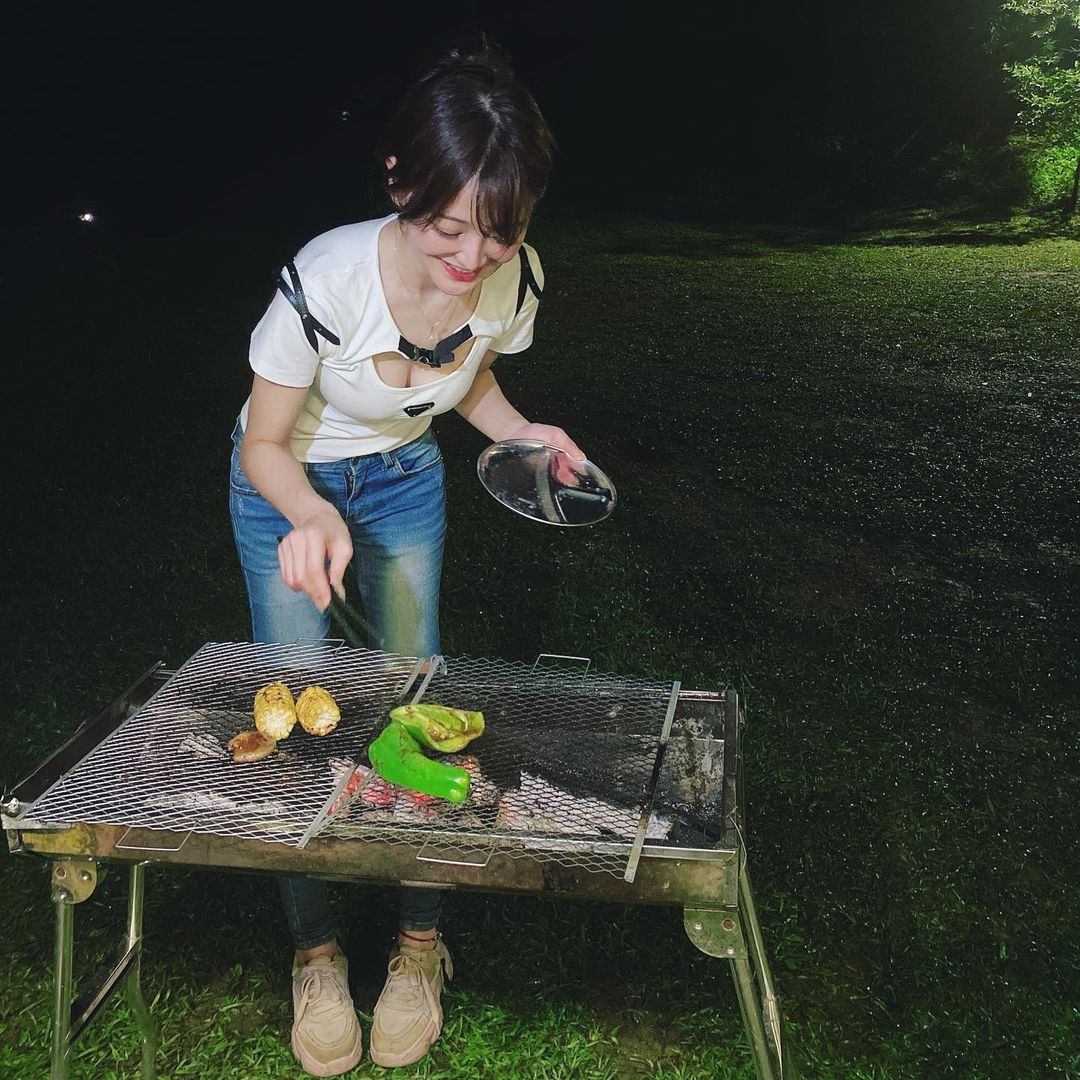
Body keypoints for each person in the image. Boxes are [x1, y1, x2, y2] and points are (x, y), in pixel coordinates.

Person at [228, 42, 581, 1075]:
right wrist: (305, 514)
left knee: (416, 695)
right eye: (447, 227)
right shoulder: (327, 277)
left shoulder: (511, 280)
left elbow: (467, 385)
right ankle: (317, 951)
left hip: (404, 480)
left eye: (501, 229)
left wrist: (526, 434)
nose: (473, 257)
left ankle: (420, 946)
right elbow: (260, 443)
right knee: (294, 710)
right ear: (399, 183)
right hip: (285, 485)